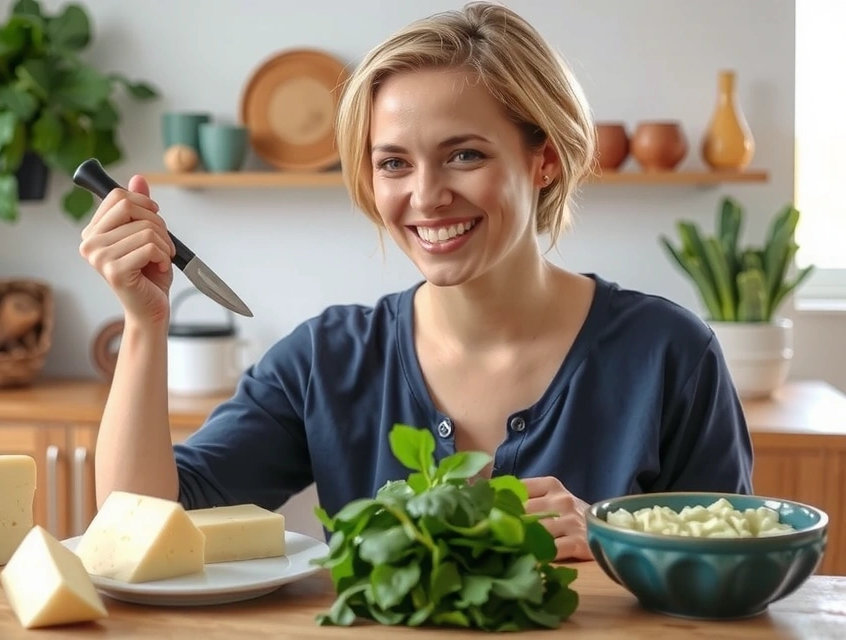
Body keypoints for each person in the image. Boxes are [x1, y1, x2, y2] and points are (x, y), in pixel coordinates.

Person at [77, 1, 753, 561]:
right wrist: (145, 324)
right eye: (394, 164)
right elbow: (138, 524)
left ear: (543, 159)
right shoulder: (326, 361)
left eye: (464, 154)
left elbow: (733, 571)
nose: (426, 197)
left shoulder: (670, 354)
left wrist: (617, 538)